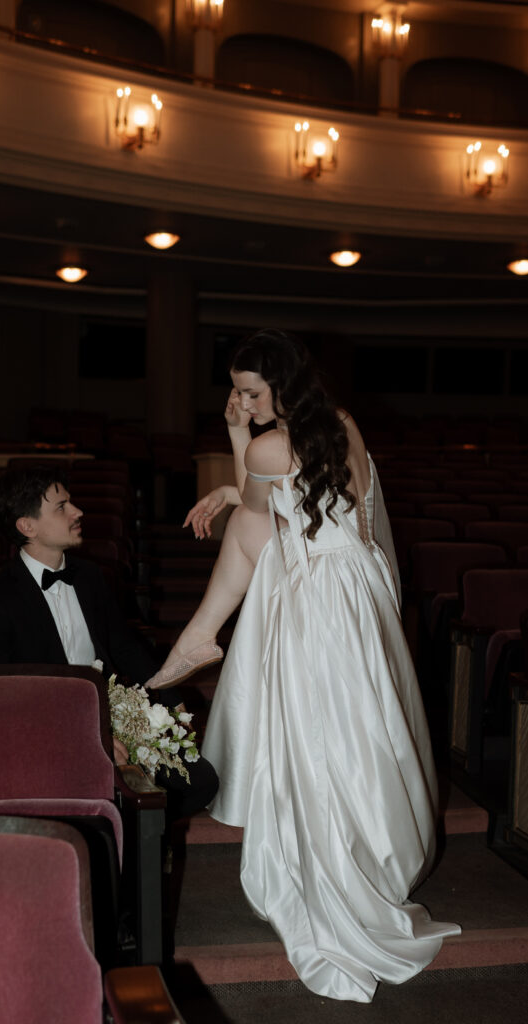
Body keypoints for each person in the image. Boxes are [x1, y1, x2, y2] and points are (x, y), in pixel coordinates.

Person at [146, 329, 460, 1002]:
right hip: (358, 589)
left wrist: (237, 473)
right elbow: (313, 508)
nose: (237, 402)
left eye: (248, 391)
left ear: (282, 389)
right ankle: (369, 858)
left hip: (312, 595)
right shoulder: (339, 424)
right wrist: (239, 486)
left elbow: (259, 536)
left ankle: (199, 637)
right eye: (233, 389)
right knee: (358, 729)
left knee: (310, 737)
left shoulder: (265, 443)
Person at [0, 465, 218, 823]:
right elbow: (0, 698)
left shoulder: (89, 577)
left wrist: (172, 699)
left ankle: (127, 825)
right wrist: (87, 738)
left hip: (111, 714)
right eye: (62, 507)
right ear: (28, 526)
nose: (77, 512)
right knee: (105, 791)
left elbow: (125, 647)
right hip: (46, 732)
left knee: (202, 781)